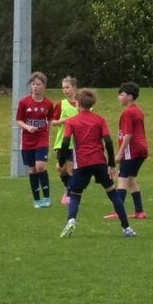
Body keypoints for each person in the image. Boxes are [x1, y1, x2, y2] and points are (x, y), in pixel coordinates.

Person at [59, 88, 134, 238]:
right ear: (92, 103)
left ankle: (71, 220)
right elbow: (108, 141)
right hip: (99, 161)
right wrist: (111, 163)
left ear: (78, 104)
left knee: (75, 194)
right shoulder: (100, 120)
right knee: (113, 193)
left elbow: (65, 142)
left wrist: (63, 161)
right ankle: (127, 228)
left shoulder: (72, 122)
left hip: (82, 163)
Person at [15, 71, 60, 208]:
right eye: (33, 84)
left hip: (41, 139)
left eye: (38, 84)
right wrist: (27, 127)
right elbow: (18, 120)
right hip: (28, 140)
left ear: (44, 86)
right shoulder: (24, 102)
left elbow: (50, 119)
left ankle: (47, 198)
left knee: (40, 166)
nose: (35, 87)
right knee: (33, 170)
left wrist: (48, 133)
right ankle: (37, 200)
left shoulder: (48, 103)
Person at [108, 82, 149, 220]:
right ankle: (140, 211)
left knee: (122, 179)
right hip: (142, 149)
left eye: (122, 95)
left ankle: (118, 212)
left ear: (130, 97)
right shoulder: (138, 110)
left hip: (132, 150)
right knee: (131, 180)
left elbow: (128, 135)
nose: (119, 97)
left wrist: (120, 153)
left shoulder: (128, 112)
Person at [54, 75, 81, 187]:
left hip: (77, 142)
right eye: (63, 88)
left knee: (71, 168)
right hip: (63, 141)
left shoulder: (83, 103)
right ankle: (68, 188)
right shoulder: (61, 104)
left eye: (67, 87)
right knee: (61, 168)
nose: (65, 90)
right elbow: (52, 122)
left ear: (74, 87)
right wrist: (63, 121)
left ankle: (70, 193)